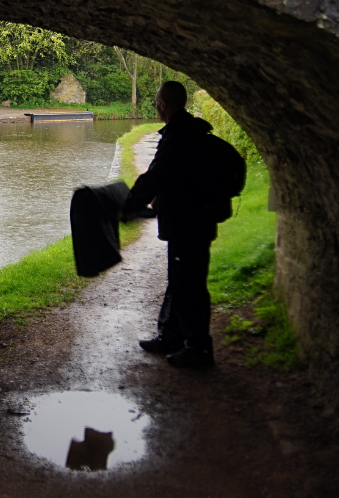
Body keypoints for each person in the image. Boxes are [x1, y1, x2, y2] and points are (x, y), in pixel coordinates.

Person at [120, 81, 218, 368]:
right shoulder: (192, 131)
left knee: (189, 284)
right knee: (182, 280)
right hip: (195, 219)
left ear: (163, 105)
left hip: (189, 222)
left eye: (156, 103)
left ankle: (200, 349)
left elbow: (155, 177)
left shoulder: (178, 136)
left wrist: (128, 207)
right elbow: (181, 177)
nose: (156, 107)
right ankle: (170, 336)